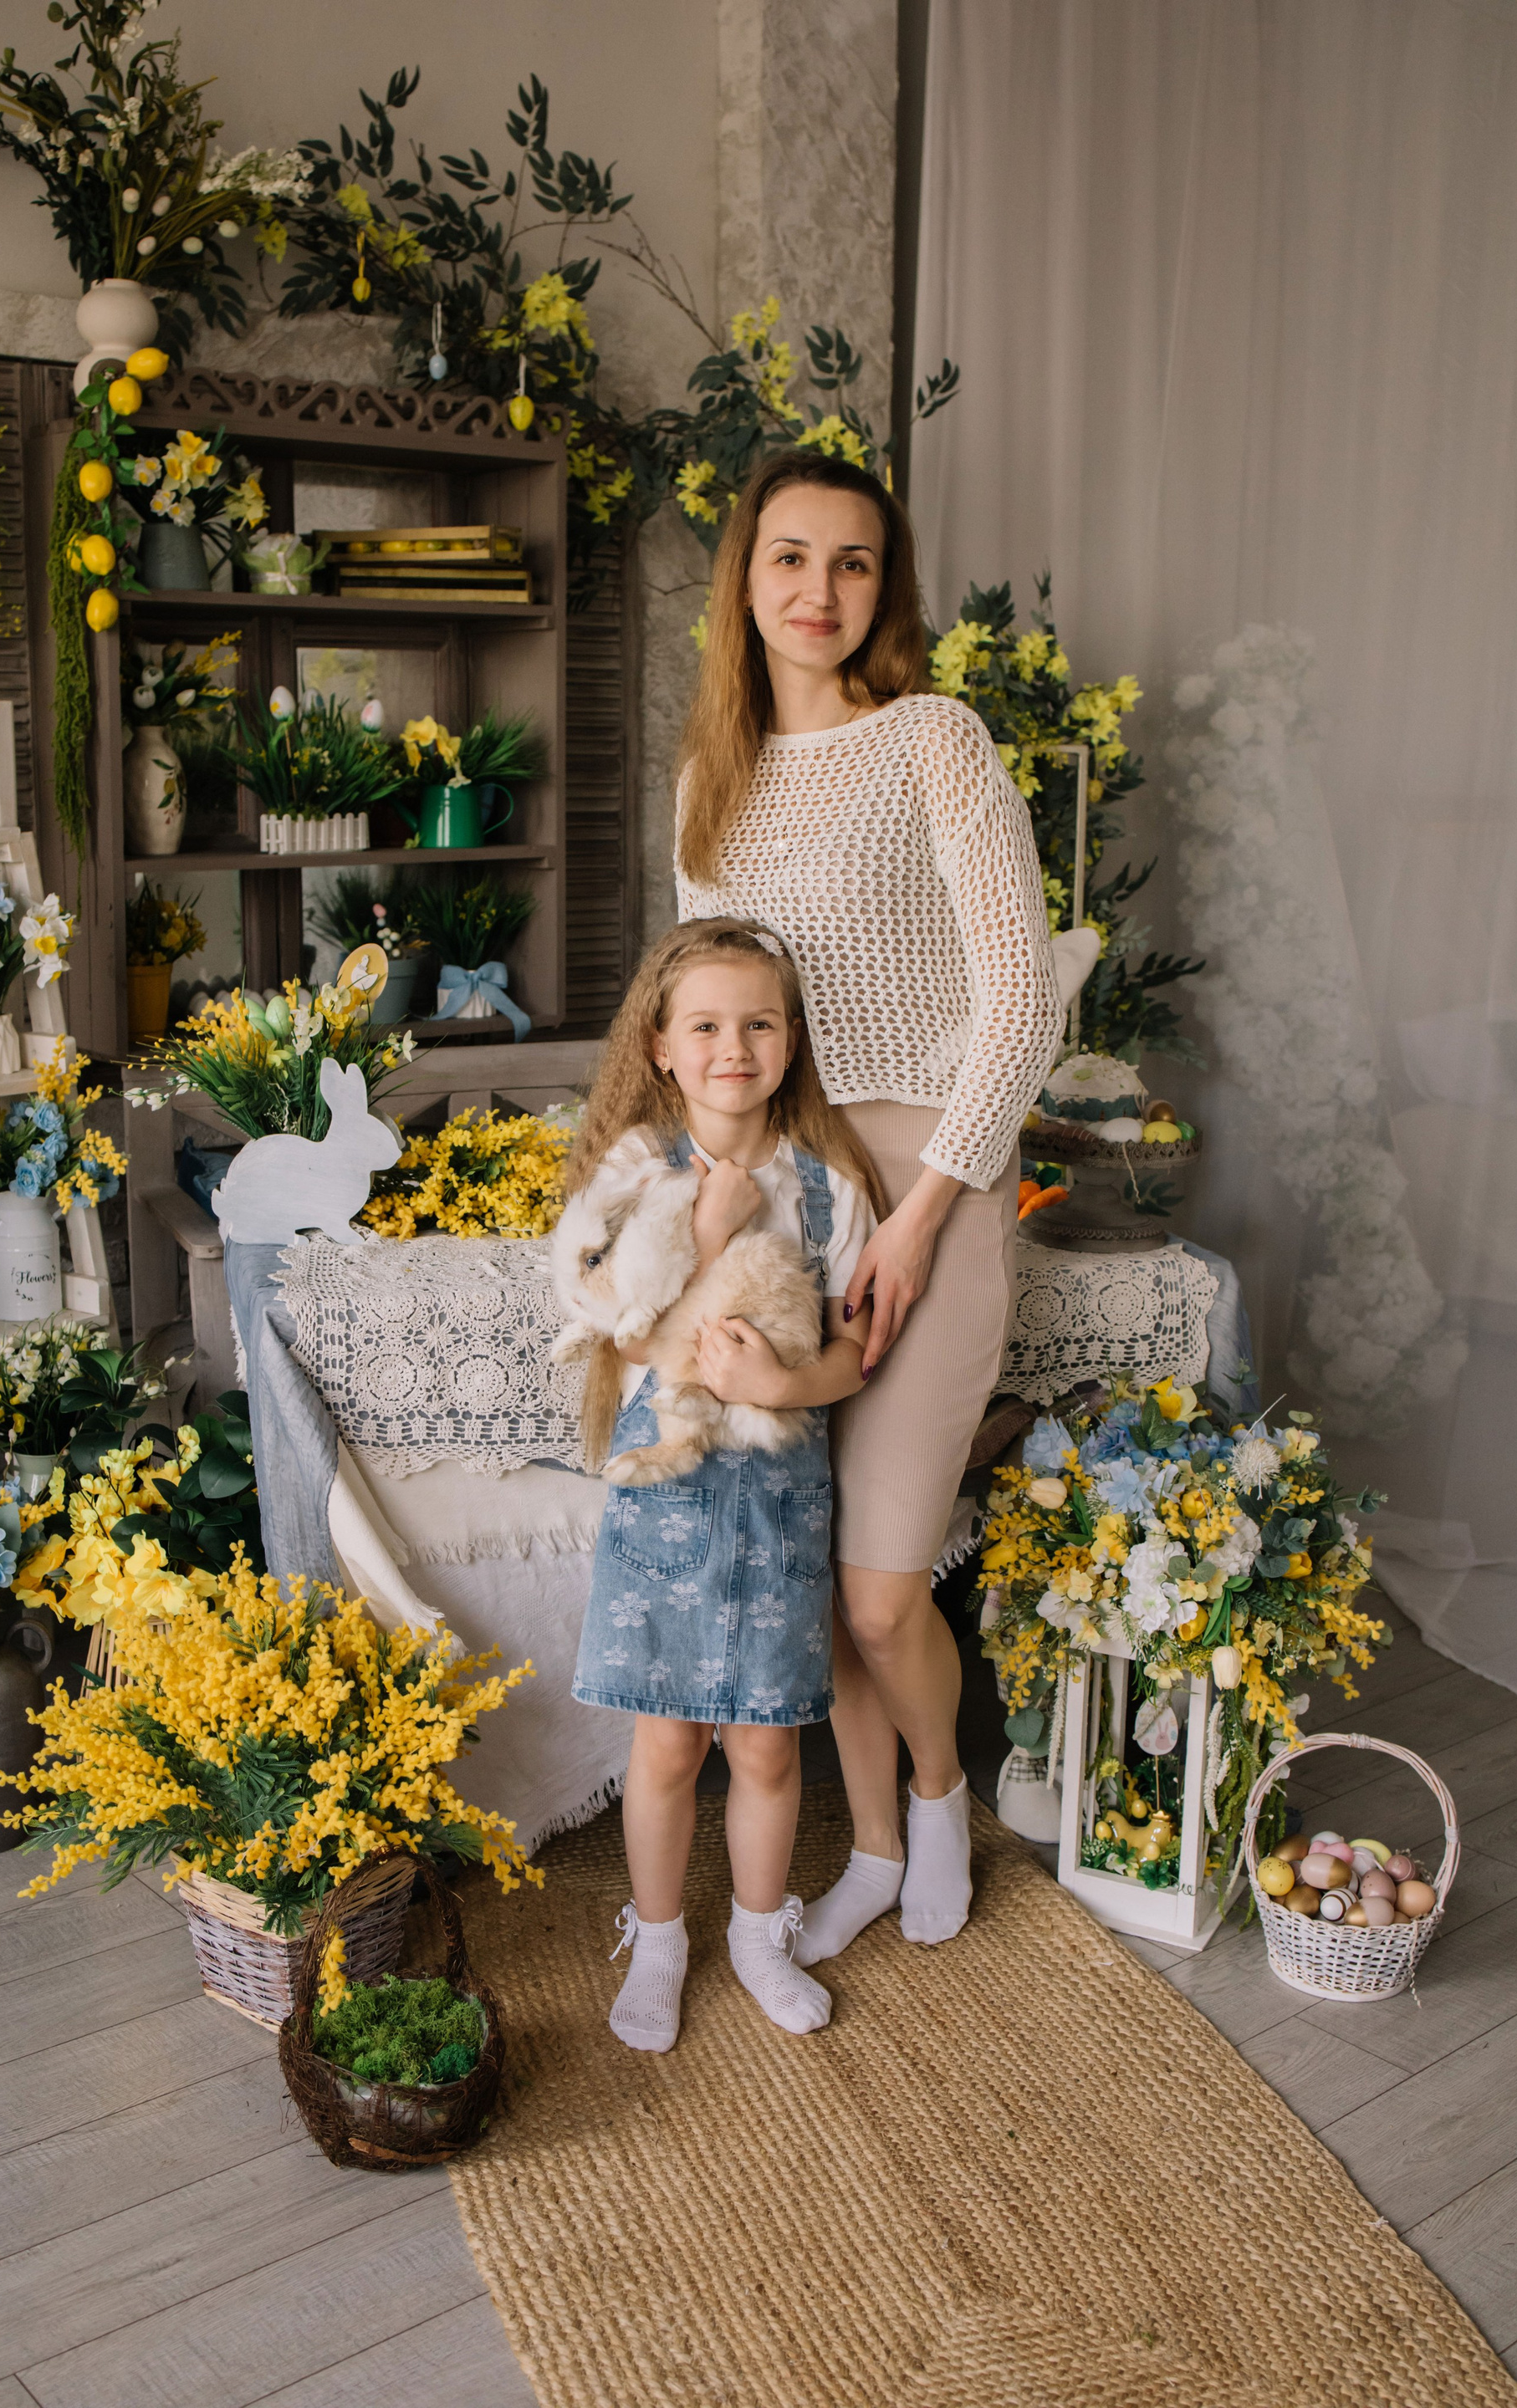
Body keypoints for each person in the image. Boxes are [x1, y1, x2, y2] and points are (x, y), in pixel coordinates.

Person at [676, 450, 1062, 1963]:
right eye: (790, 556)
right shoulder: (709, 779)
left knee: (884, 1592)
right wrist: (701, 1204)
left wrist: (920, 1217)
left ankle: (945, 1799)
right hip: (786, 1194)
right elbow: (704, 1018)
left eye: (853, 562)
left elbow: (1021, 1000)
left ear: (883, 589)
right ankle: (882, 1852)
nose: (819, 590)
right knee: (810, 1583)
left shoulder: (934, 742)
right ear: (747, 577)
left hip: (935, 1186)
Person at [565, 917, 881, 2051]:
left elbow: (856, 1350)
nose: (732, 1048)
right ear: (660, 1045)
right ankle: (659, 1943)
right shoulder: (633, 1170)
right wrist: (704, 1227)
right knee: (669, 1745)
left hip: (780, 1499)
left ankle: (758, 1935)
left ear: (791, 1041)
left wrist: (782, 1384)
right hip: (668, 1492)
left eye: (758, 1024)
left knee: (765, 1744)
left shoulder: (829, 1185)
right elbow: (610, 1321)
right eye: (704, 1026)